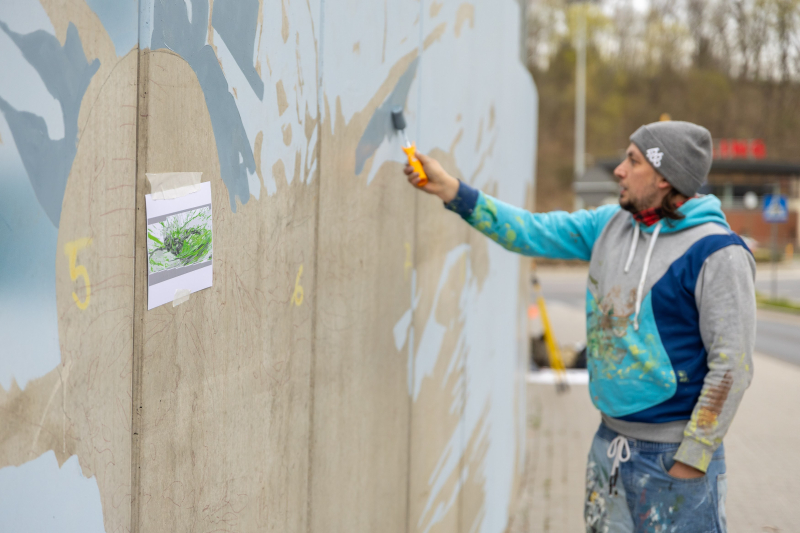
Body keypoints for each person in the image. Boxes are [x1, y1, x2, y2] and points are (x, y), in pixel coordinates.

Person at [404, 121, 755, 532]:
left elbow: (732, 367)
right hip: (609, 448)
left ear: (664, 178)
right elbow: (531, 232)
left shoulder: (718, 252)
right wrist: (454, 192)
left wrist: (692, 458)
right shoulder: (610, 225)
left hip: (674, 460)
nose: (619, 170)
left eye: (633, 160)